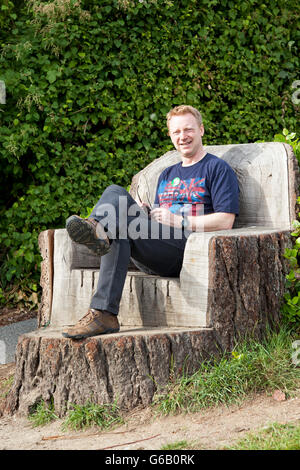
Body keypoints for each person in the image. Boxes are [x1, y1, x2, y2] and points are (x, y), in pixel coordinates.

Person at [62, 105, 239, 340]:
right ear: (170, 136)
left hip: (186, 250)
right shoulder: (167, 174)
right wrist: (145, 213)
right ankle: (103, 313)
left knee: (116, 196)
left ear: (201, 130)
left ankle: (97, 230)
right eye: (176, 132)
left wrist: (180, 220)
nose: (182, 136)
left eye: (188, 129)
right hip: (155, 249)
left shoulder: (217, 169)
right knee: (118, 212)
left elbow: (226, 221)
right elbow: (160, 214)